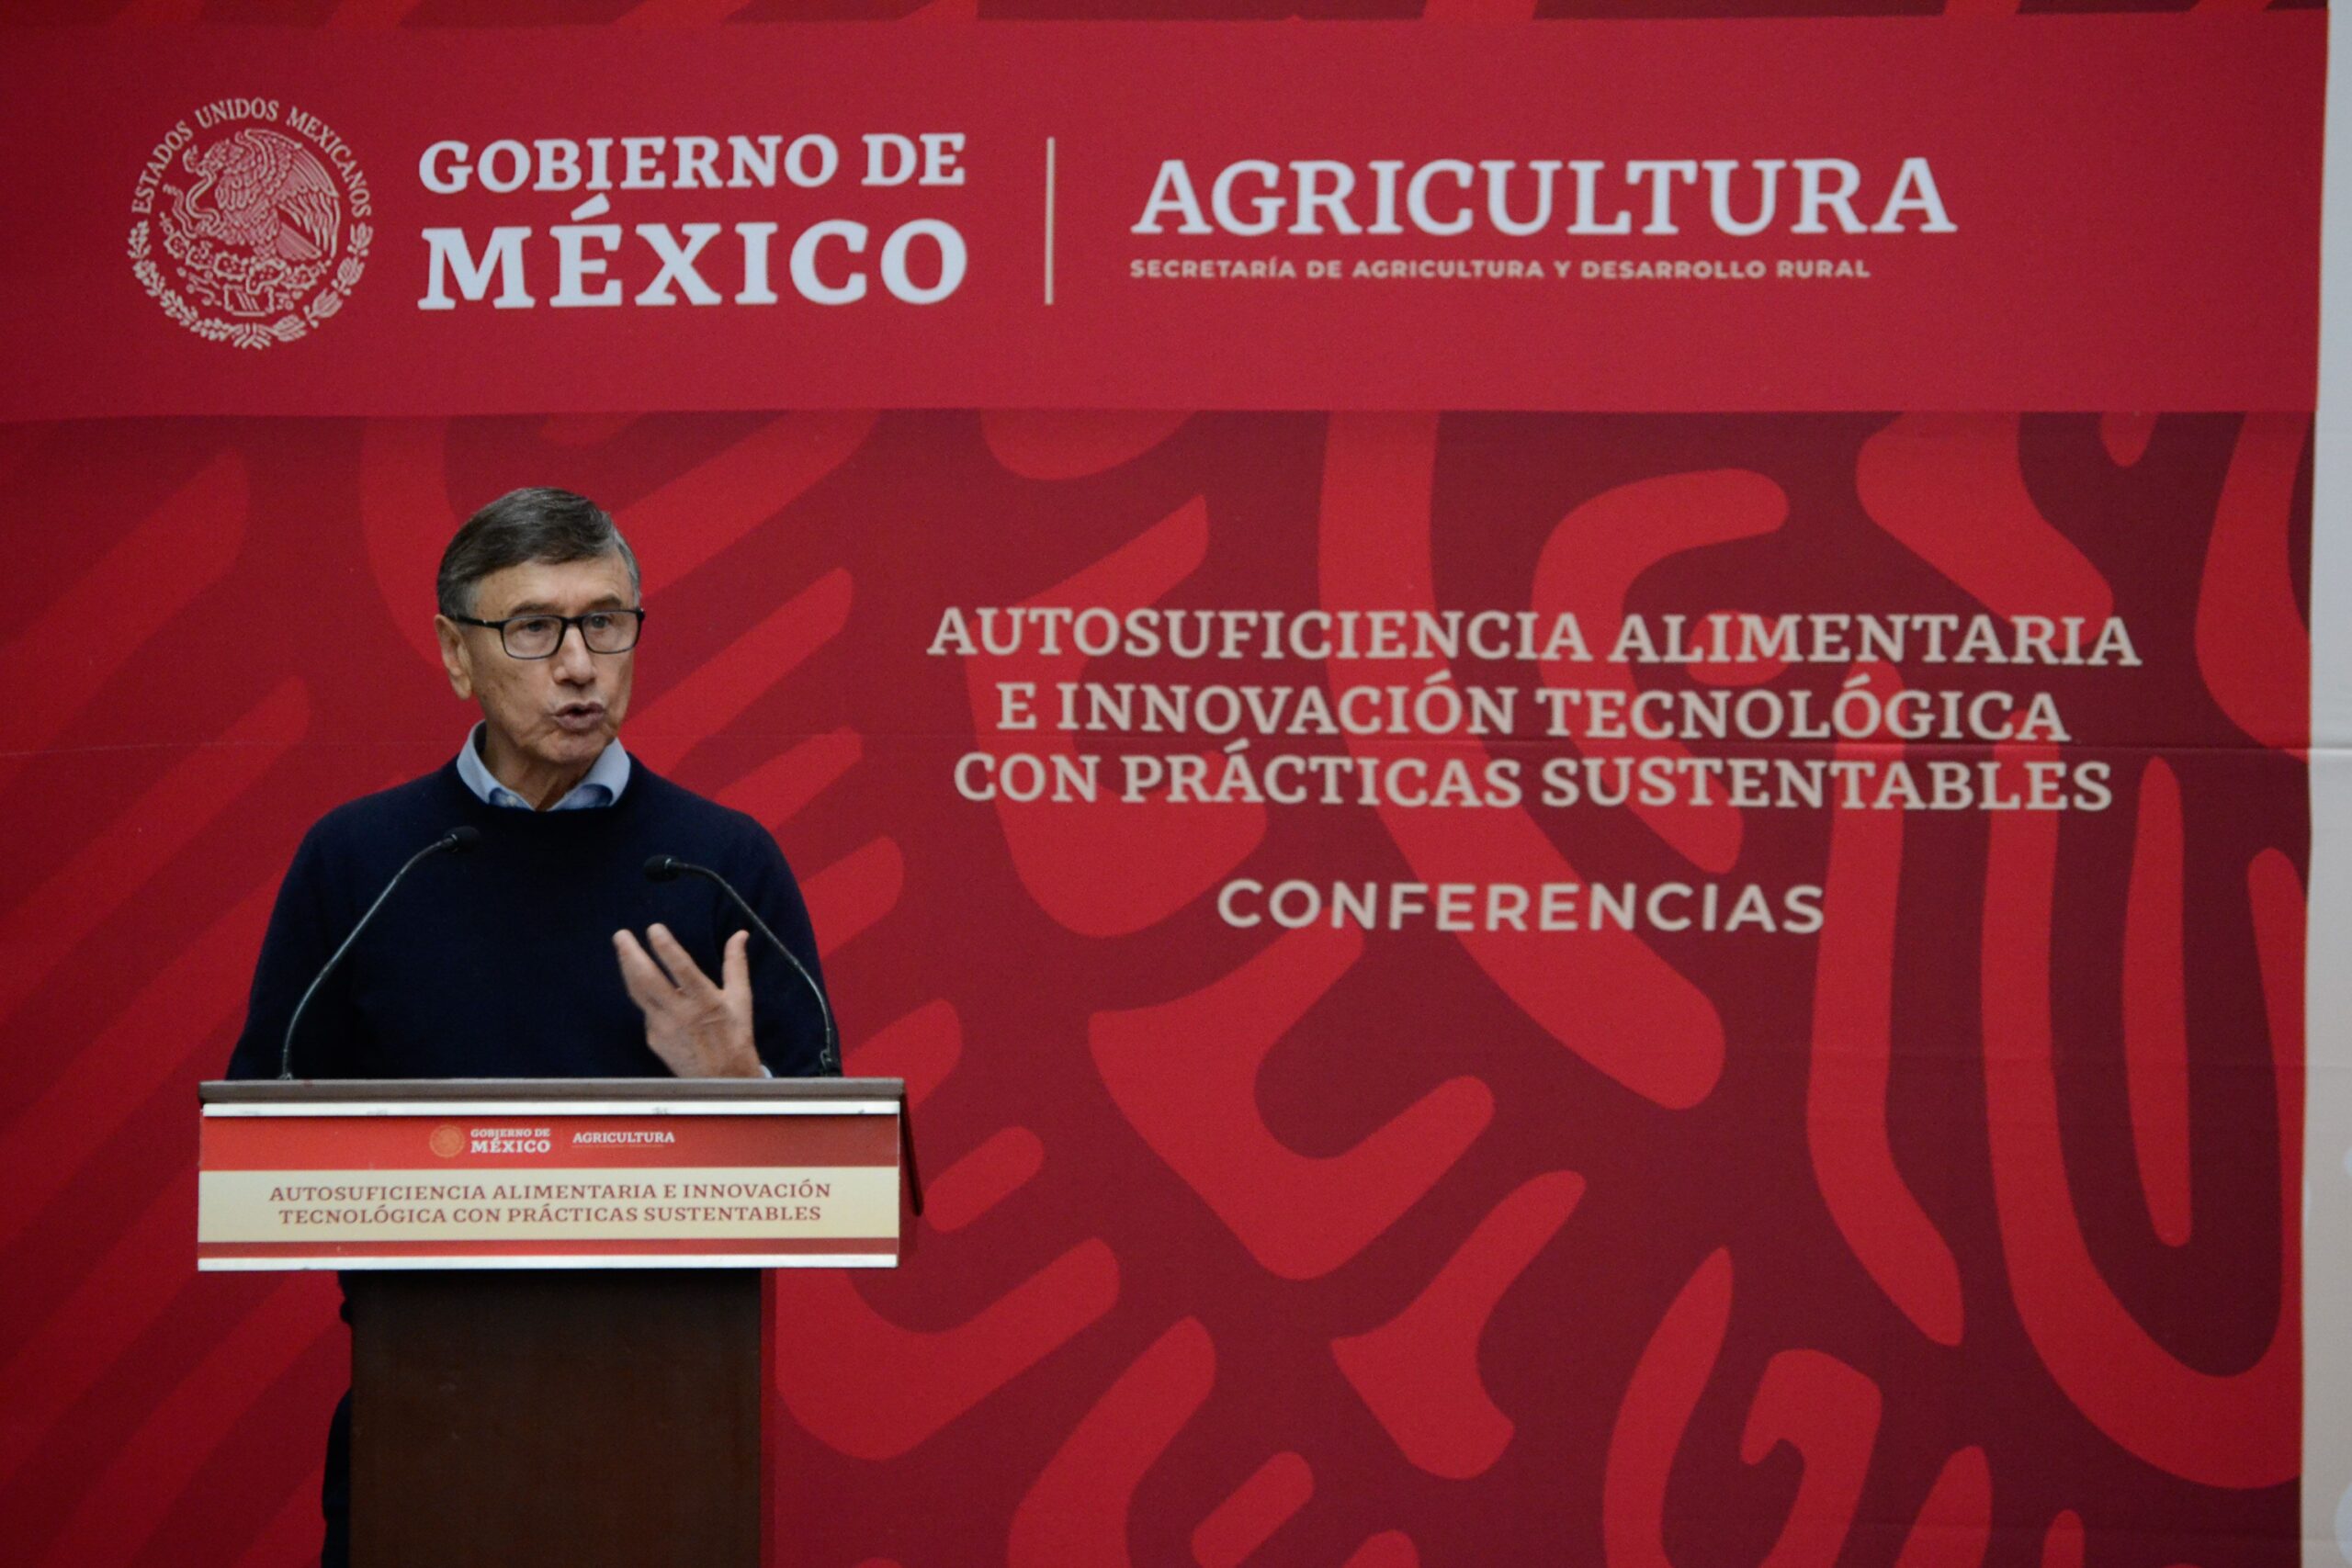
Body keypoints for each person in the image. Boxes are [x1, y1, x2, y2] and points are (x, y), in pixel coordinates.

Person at [224, 486, 832, 1565]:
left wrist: (739, 1089)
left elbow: (832, 1188)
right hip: (426, 1402)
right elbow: (259, 1146)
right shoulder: (364, 860)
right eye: (533, 629)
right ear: (456, 654)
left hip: (671, 1415)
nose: (579, 665)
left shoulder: (718, 863)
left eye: (604, 621)